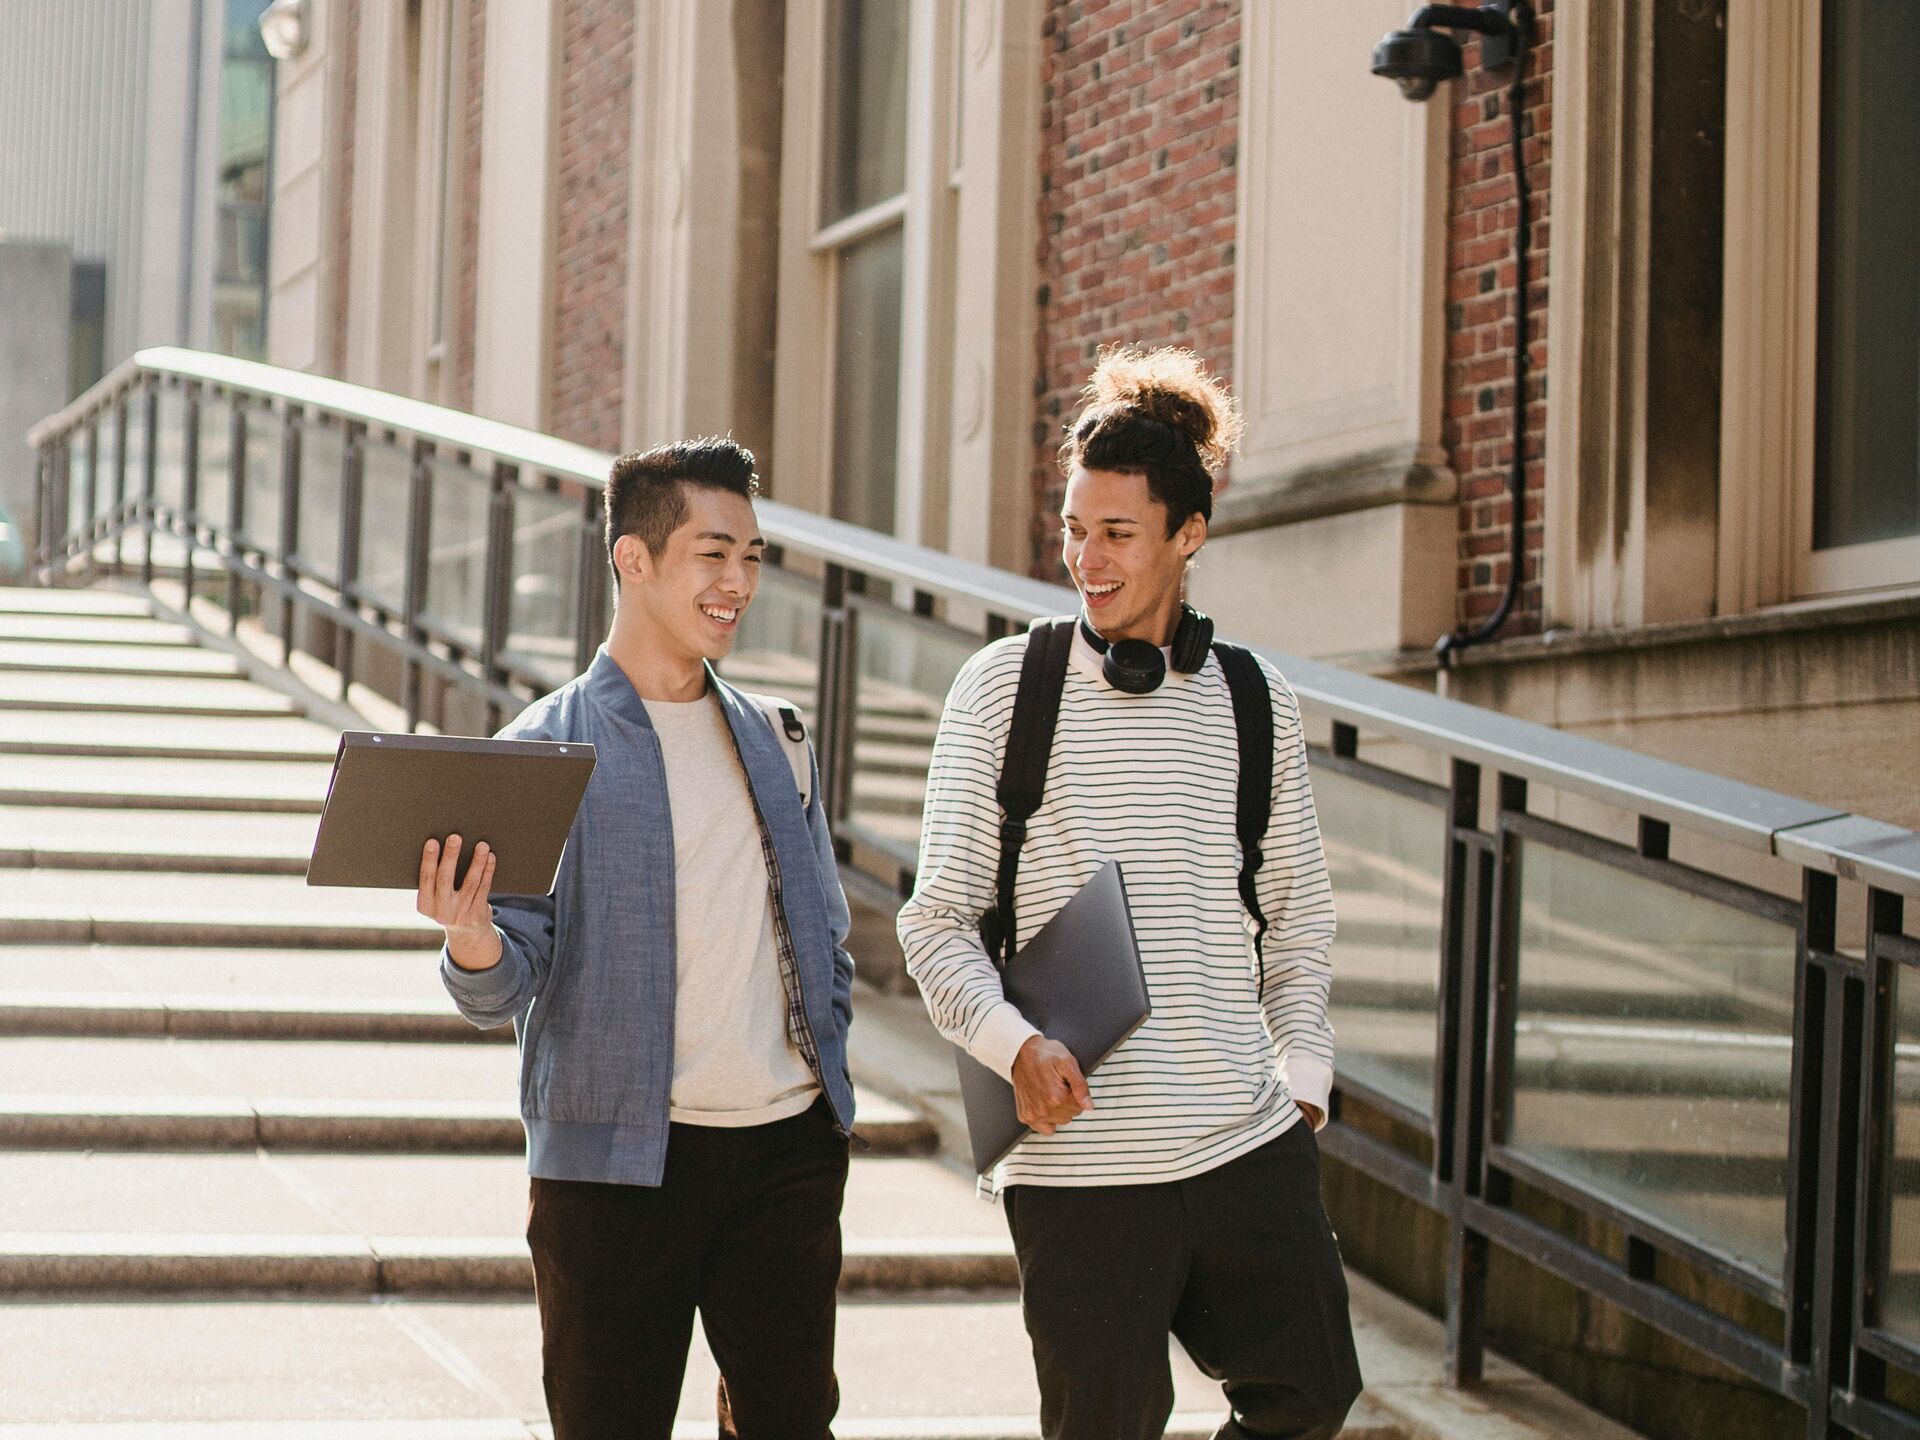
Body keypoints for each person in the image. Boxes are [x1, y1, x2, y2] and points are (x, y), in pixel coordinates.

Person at [898, 347, 1362, 1440]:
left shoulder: (1258, 701)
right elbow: (937, 919)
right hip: (1082, 1167)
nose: (1086, 558)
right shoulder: (1006, 689)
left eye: (1117, 533)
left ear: (1188, 534)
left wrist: (1302, 1078)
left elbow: (1295, 914)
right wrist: (1013, 1044)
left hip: (1245, 1141)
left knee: (1312, 1396)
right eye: (1073, 529)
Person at [416, 438, 857, 1440]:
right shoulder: (544, 747)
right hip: (614, 1172)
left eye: (750, 556)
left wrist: (827, 1086)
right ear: (635, 560)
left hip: (784, 1151)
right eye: (714, 554)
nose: (739, 583)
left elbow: (824, 934)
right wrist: (471, 932)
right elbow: (495, 988)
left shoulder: (778, 734)